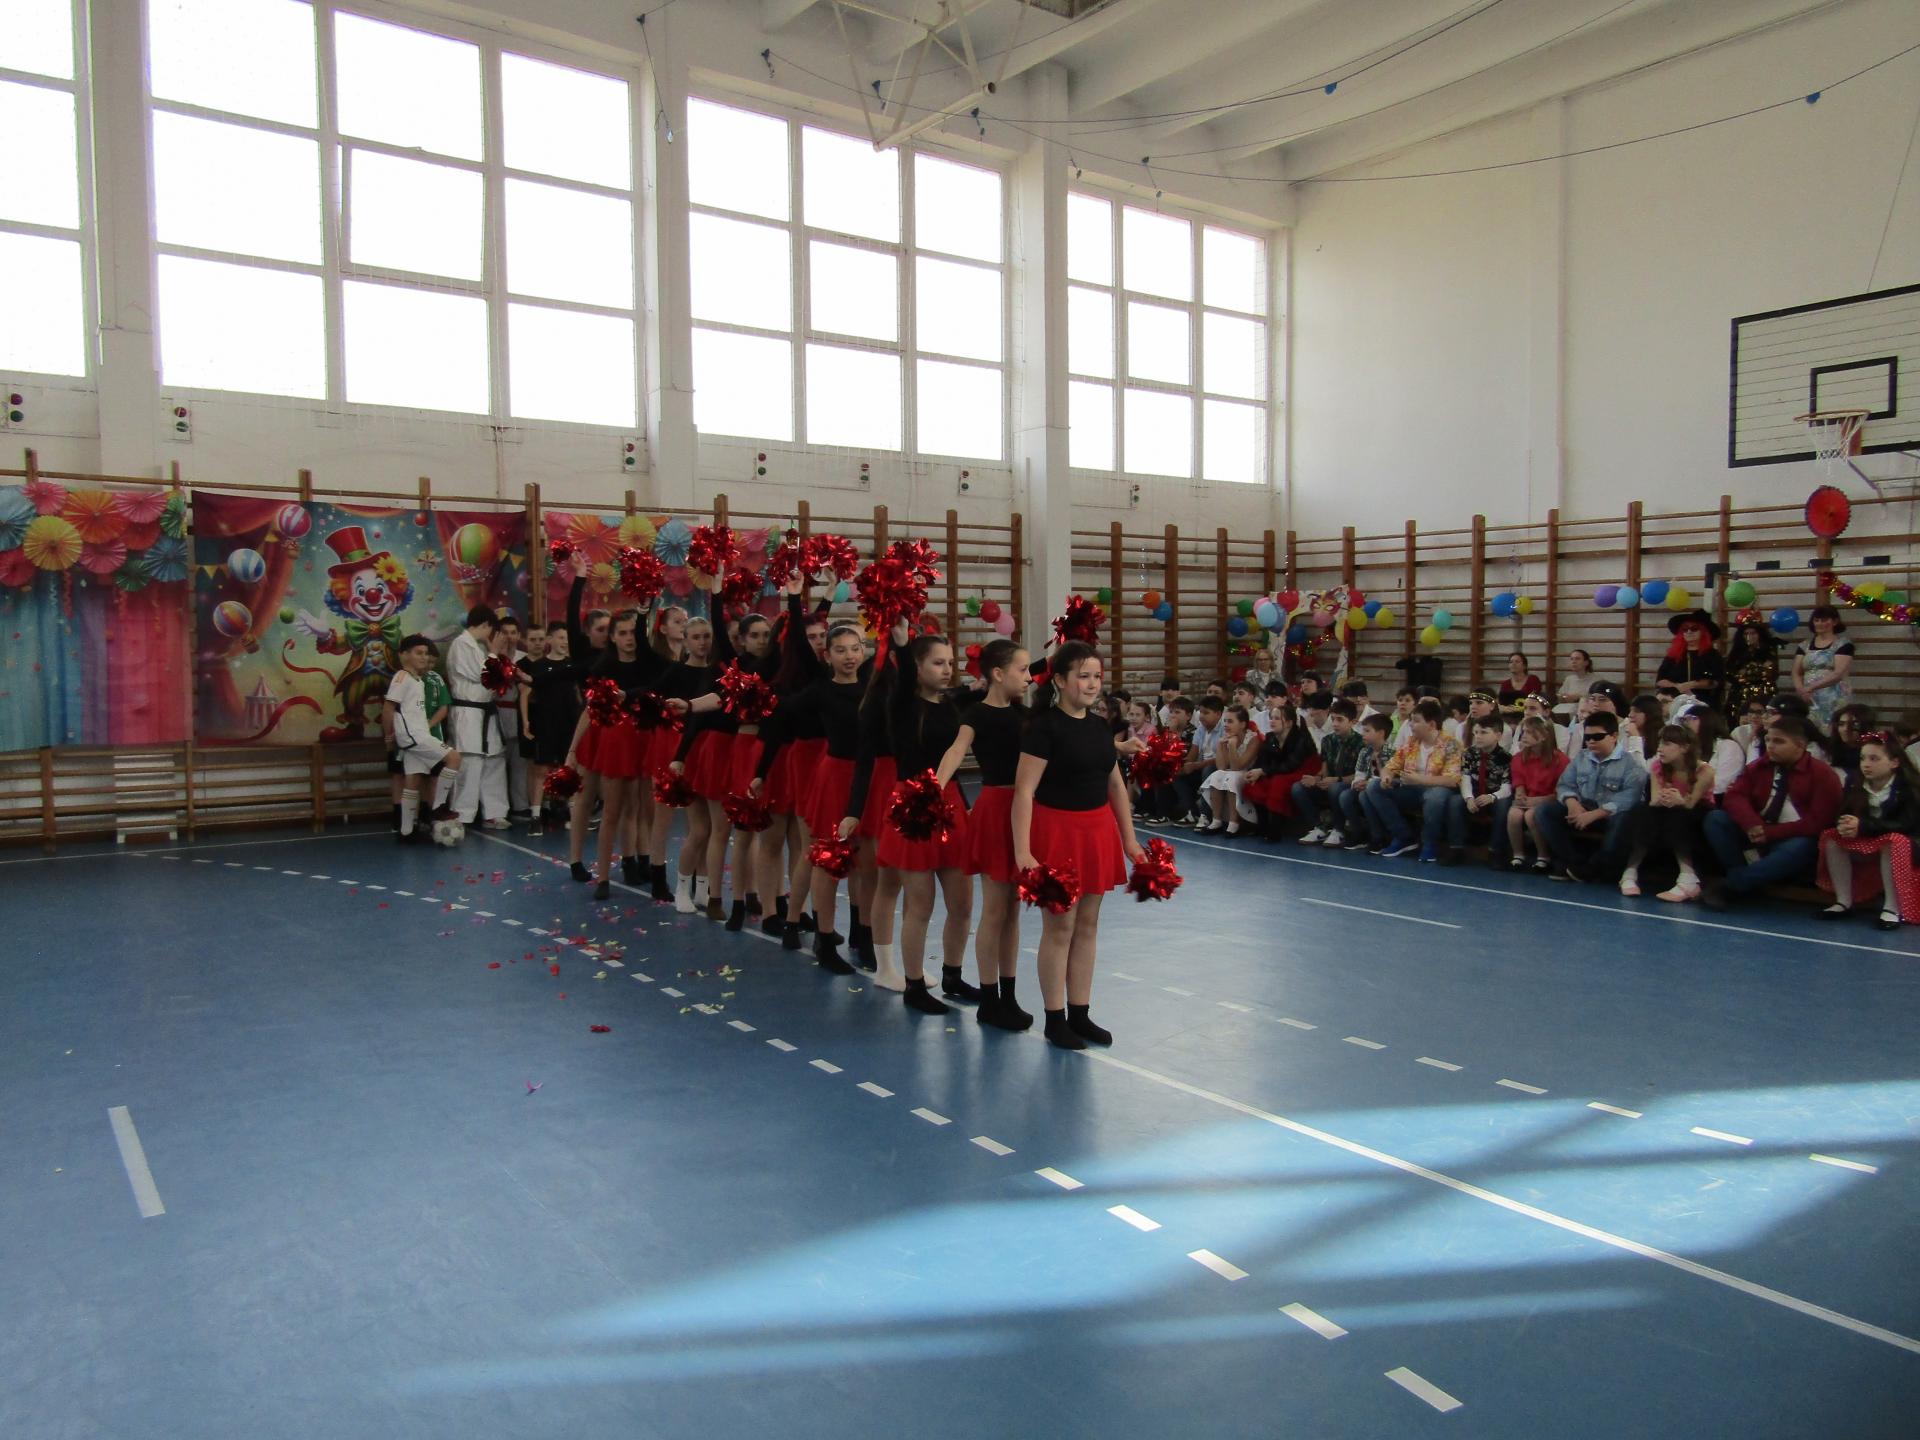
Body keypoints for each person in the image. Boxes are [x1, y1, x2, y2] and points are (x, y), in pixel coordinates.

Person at [1012, 641, 1148, 1051]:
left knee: (1088, 925)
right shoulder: (1043, 728)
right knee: (1060, 927)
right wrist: (1023, 850)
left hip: (1096, 832)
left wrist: (1130, 840)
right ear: (1059, 680)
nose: (1091, 684)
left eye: (1096, 677)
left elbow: (1115, 786)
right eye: (1083, 676)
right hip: (1058, 834)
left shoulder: (1100, 727)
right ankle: (1055, 1019)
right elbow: (1024, 792)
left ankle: (1080, 1013)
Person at [849, 629, 975, 1012]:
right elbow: (903, 677)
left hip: (950, 804)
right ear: (918, 667)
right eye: (938, 663)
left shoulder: (952, 704)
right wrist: (902, 643)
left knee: (962, 904)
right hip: (914, 804)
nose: (947, 669)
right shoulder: (901, 703)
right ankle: (914, 984)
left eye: (950, 663)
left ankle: (952, 975)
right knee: (920, 904)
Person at [753, 621, 869, 969]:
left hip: (867, 777)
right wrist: (760, 771)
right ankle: (823, 937)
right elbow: (778, 715)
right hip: (834, 777)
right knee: (825, 857)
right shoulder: (820, 690)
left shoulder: (874, 687)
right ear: (827, 656)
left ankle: (863, 935)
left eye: (855, 649)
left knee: (865, 860)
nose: (849, 656)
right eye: (840, 650)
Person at [935, 638, 1033, 1030]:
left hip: (1023, 811)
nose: (1029, 677)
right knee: (995, 910)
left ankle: (1008, 995)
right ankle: (989, 999)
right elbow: (956, 750)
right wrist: (936, 786)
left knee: (1014, 911)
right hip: (995, 810)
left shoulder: (1025, 714)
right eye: (1022, 670)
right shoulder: (976, 713)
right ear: (998, 673)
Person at [1701, 716, 1842, 909]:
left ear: (1800, 745)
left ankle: (1732, 885)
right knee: (1716, 819)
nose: (1770, 746)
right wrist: (1751, 823)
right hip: (1757, 829)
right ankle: (1748, 879)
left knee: (1801, 847)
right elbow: (1734, 797)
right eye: (1768, 740)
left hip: (1793, 837)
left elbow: (1817, 822)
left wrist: (1770, 833)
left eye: (1779, 741)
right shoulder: (1759, 766)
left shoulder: (1823, 774)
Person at [1817, 731, 1920, 928]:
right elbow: (1843, 810)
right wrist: (1845, 823)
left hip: (1907, 842)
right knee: (1831, 838)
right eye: (1863, 758)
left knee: (1893, 841)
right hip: (1870, 837)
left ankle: (1892, 908)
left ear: (1894, 762)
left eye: (1874, 759)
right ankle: (1843, 901)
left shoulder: (1909, 787)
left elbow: (1906, 824)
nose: (1866, 764)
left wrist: (1862, 826)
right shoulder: (1854, 782)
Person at [1534, 710, 1647, 881]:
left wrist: (1595, 814)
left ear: (1614, 736)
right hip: (1582, 809)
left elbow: (1630, 797)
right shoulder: (1582, 757)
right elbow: (1565, 784)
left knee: (1624, 819)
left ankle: (1596, 866)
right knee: (1544, 811)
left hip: (1611, 816)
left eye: (1597, 737)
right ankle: (1575, 862)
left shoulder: (1630, 763)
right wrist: (1572, 803)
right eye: (1588, 737)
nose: (1591, 741)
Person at [1362, 698, 1465, 862]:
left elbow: (1452, 780)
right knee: (1374, 786)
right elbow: (1391, 765)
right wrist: (1386, 776)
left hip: (1438, 790)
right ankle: (1404, 836)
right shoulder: (1411, 742)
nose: (1410, 724)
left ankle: (1430, 843)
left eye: (1416, 721)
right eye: (1410, 720)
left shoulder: (1451, 744)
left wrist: (1418, 779)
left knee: (1435, 796)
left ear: (1431, 724)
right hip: (1411, 789)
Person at [1619, 724, 1713, 901]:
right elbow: (1654, 800)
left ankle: (1688, 877)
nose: (1660, 748)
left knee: (1678, 815)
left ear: (1685, 747)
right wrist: (1664, 797)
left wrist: (1679, 799)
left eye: (1667, 744)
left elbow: (1692, 802)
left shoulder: (1704, 770)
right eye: (1660, 743)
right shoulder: (1658, 766)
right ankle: (1630, 871)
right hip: (1668, 808)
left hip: (1699, 811)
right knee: (1642, 811)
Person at [385, 635, 462, 842]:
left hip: (417, 735)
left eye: (426, 654)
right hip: (413, 736)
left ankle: (406, 831)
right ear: (404, 655)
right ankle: (438, 807)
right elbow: (388, 708)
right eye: (419, 653)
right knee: (454, 758)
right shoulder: (402, 678)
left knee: (412, 780)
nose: (424, 657)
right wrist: (389, 737)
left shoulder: (417, 679)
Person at [441, 606, 504, 827]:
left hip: (485, 711)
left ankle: (495, 812)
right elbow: (483, 676)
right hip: (468, 711)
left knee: (493, 760)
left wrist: (492, 653)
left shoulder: (477, 647)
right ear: (486, 625)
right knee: (470, 762)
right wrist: (494, 653)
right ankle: (462, 814)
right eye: (491, 630)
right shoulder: (461, 644)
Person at [521, 622, 579, 837]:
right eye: (561, 637)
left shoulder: (573, 664)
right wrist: (526, 722)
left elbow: (579, 693)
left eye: (567, 638)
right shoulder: (539, 666)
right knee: (541, 770)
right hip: (545, 724)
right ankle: (536, 817)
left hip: (569, 724)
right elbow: (526, 694)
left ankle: (574, 814)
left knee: (570, 768)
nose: (565, 642)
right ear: (550, 640)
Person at [1242, 698, 1319, 841]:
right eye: (1271, 718)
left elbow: (1291, 765)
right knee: (1255, 784)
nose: (1272, 721)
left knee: (1278, 783)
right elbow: (1262, 760)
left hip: (1303, 770)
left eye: (1277, 718)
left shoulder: (1301, 739)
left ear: (1289, 723)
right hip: (1279, 770)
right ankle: (1262, 825)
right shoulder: (1270, 737)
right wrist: (1254, 771)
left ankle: (1275, 828)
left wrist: (1263, 771)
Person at [1503, 715, 1568, 872]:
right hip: (1528, 798)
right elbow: (1518, 779)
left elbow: (1562, 790)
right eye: (1524, 732)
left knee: (1531, 815)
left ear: (1544, 736)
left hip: (1550, 800)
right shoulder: (1519, 757)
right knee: (1513, 814)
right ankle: (1518, 855)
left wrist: (1538, 801)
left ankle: (1543, 856)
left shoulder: (1560, 760)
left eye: (1530, 732)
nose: (1524, 736)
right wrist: (1520, 793)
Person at [1296, 698, 1362, 845]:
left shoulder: (1361, 743)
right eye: (1333, 719)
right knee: (1298, 788)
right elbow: (1324, 769)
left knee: (1335, 788)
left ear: (1352, 722)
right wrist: (1317, 779)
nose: (1335, 724)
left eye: (1340, 720)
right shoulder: (1327, 740)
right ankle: (1319, 827)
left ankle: (1339, 829)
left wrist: (1336, 780)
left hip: (1350, 785)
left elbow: (1361, 775)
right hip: (1331, 783)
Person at [1197, 704, 1262, 836]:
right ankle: (1216, 820)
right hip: (1233, 772)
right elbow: (1221, 766)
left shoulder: (1253, 739)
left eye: (1230, 721)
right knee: (1217, 775)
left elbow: (1238, 766)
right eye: (1225, 721)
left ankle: (1234, 823)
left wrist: (1232, 746)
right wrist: (1221, 746)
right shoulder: (1227, 737)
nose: (1226, 725)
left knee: (1232, 778)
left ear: (1242, 724)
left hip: (1249, 773)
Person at [492, 612, 532, 821]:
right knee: (496, 763)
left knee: (520, 763)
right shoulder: (491, 658)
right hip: (497, 712)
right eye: (505, 632)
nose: (509, 636)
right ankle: (495, 808)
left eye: (513, 632)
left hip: (519, 712)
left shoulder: (524, 659)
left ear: (519, 635)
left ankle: (520, 805)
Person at [1456, 715, 1511, 857]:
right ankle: (1456, 847)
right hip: (1473, 793)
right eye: (1475, 732)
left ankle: (1496, 850)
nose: (1478, 736)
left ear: (1498, 735)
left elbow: (1507, 787)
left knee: (1503, 806)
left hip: (1494, 795)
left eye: (1483, 732)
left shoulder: (1506, 758)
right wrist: (1469, 798)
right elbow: (1465, 778)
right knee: (1454, 802)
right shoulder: (1469, 753)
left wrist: (1492, 797)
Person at [1336, 713, 1394, 849]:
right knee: (1345, 796)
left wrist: (1368, 784)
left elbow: (1390, 776)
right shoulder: (1364, 751)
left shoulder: (1392, 752)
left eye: (1367, 731)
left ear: (1381, 733)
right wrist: (1357, 783)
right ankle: (1358, 832)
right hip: (1365, 786)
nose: (1363, 734)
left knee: (1365, 795)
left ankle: (1378, 835)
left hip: (1384, 787)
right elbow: (1359, 773)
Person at [1792, 605, 1854, 729]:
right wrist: (1801, 690)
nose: (1820, 623)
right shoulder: (1804, 645)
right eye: (1817, 620)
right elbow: (1796, 672)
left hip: (1834, 697)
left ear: (1835, 622)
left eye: (1824, 620)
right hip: (1809, 698)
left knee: (1833, 729)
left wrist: (1811, 687)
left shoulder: (1843, 644)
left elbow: (1838, 674)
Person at [1656, 610, 1725, 711]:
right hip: (1675, 703)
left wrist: (1692, 684)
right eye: (1685, 629)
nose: (1689, 632)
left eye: (1694, 629)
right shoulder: (1673, 655)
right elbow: (1660, 680)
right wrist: (1677, 686)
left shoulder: (1713, 655)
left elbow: (1717, 682)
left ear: (1703, 632)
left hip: (1705, 704)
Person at [1678, 700, 1745, 797]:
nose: (1686, 723)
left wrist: (1691, 792)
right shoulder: (1688, 747)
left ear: (1707, 721)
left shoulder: (1728, 746)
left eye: (1692, 718)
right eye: (1684, 720)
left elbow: (1721, 785)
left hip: (1717, 800)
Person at [1723, 618, 1778, 722]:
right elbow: (1728, 674)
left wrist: (1746, 672)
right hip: (1740, 695)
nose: (1749, 637)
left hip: (1764, 693)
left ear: (1760, 634)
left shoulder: (1769, 650)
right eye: (1746, 634)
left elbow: (1772, 673)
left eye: (1753, 633)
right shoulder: (1737, 651)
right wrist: (1759, 669)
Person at [1826, 702, 1875, 779]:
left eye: (1853, 724)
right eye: (1841, 724)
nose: (1846, 729)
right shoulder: (1830, 747)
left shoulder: (1875, 751)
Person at [1555, 649, 1602, 721]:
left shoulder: (1596, 680)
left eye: (1577, 659)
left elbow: (1598, 700)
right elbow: (1560, 695)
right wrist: (1564, 697)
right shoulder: (1569, 679)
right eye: (1571, 659)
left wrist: (1578, 697)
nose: (1573, 662)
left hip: (1586, 713)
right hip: (1567, 710)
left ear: (1586, 662)